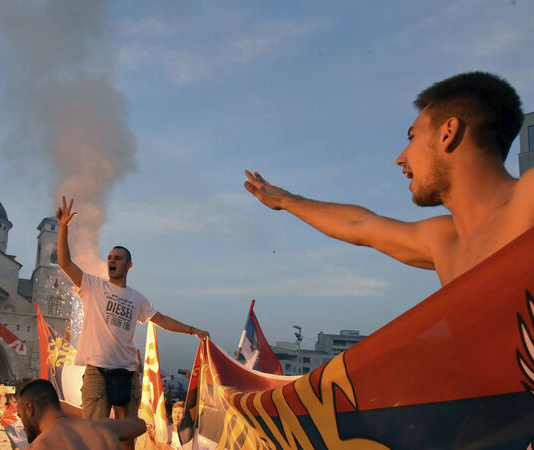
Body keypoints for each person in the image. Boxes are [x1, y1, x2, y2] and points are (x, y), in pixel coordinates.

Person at [244, 72, 527, 286]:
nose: (400, 158)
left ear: (447, 133)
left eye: (412, 137)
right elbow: (359, 224)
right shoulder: (444, 241)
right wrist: (287, 201)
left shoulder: (528, 198)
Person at [56, 197, 210, 424]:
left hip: (127, 373)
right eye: (109, 258)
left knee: (128, 430)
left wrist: (193, 330)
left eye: (117, 258)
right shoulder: (93, 285)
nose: (111, 261)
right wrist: (63, 227)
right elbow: (65, 263)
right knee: (95, 430)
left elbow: (162, 319)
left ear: (129, 266)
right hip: (97, 372)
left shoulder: (137, 298)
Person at [17, 379, 146, 450]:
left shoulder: (37, 447)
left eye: (20, 415)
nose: (23, 425)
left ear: (29, 409)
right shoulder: (102, 428)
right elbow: (140, 425)